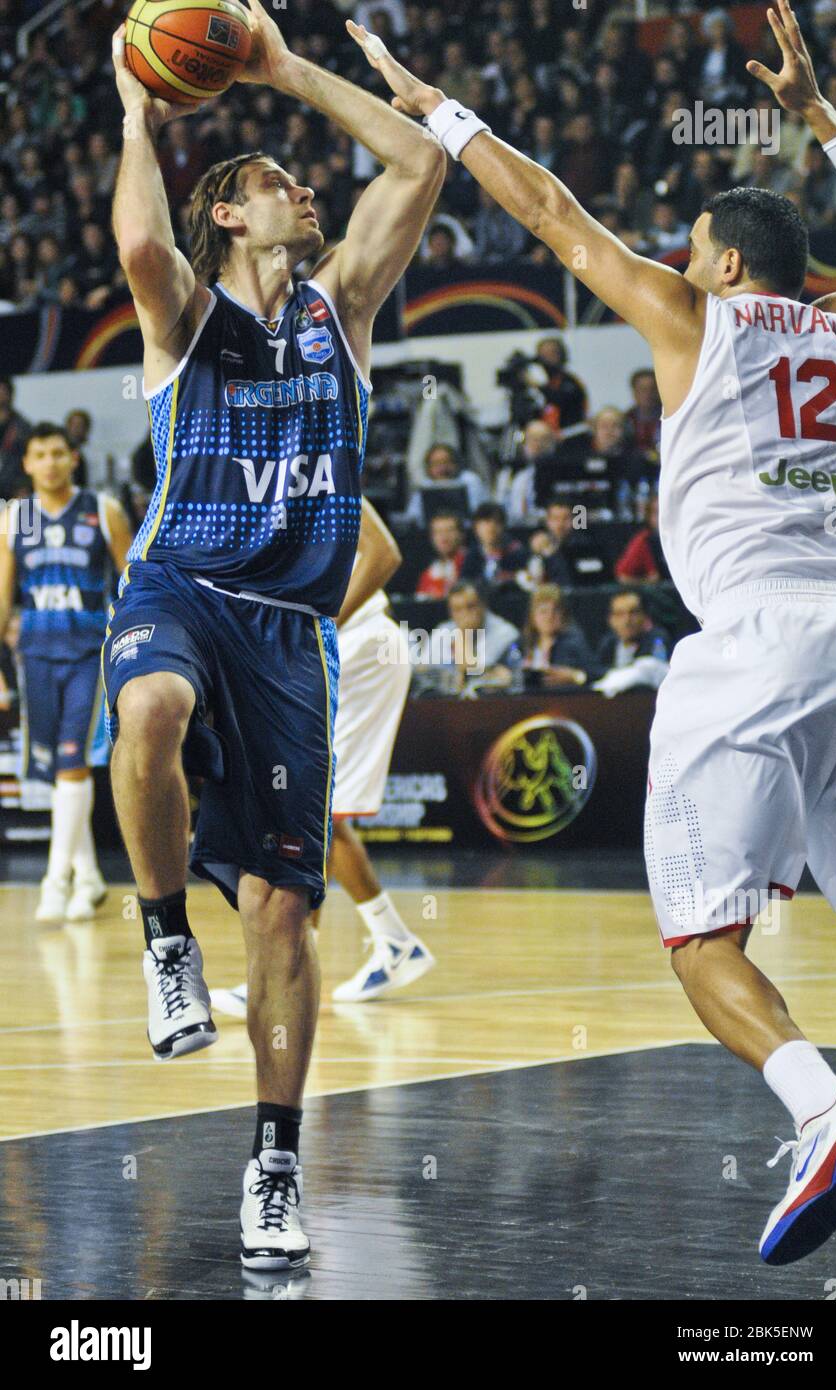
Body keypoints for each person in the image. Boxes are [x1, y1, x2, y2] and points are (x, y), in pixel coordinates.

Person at [353, 1, 836, 1265]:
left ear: (728, 268)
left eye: (690, 248)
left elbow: (550, 215)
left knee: (699, 938)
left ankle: (824, 1107)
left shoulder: (697, 319)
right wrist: (822, 120)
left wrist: (442, 114)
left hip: (751, 640)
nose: (677, 261)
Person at [108, 2, 445, 1273]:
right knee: (146, 712)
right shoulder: (187, 320)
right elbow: (141, 236)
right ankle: (160, 945)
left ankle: (273, 1166)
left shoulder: (341, 312)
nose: (303, 187)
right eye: (270, 184)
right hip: (182, 586)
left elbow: (416, 160)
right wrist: (141, 113)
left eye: (300, 183)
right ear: (228, 220)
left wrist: (283, 69)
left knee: (285, 916)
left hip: (291, 634)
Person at [211, 500, 434, 1013]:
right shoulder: (244, 480)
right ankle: (372, 946)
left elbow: (384, 553)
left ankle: (287, 968)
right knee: (308, 808)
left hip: (356, 646)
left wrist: (324, 625)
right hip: (329, 650)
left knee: (313, 811)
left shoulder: (321, 455)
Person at [0, 423, 132, 921]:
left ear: (74, 459)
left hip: (88, 652)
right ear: (28, 463)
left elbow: (133, 579)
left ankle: (55, 882)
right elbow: (3, 594)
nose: (51, 462)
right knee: (55, 767)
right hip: (34, 652)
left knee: (73, 761)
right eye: (41, 454)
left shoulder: (103, 510)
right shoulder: (15, 518)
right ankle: (92, 878)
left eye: (59, 453)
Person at [422, 579, 519, 694]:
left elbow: (472, 670)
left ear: (483, 605)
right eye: (457, 609)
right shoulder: (443, 631)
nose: (464, 614)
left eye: (470, 607)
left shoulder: (504, 633)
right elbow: (423, 669)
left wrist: (463, 633)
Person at [515, 583, 600, 688]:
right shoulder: (522, 643)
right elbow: (506, 668)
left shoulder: (574, 644)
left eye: (555, 611)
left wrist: (575, 676)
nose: (549, 617)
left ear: (563, 615)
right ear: (533, 616)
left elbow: (598, 673)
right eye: (543, 611)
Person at [461, 501, 527, 588]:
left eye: (497, 522)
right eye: (486, 522)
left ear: (504, 527)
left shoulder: (518, 555)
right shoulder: (471, 557)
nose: (491, 527)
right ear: (476, 527)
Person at [614, 494, 668, 584]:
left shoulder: (684, 538)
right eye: (657, 513)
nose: (662, 518)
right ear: (649, 516)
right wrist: (648, 581)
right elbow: (623, 576)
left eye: (666, 512)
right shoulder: (644, 541)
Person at [415, 508, 466, 598]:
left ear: (461, 534)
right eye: (438, 532)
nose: (444, 537)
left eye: (449, 530)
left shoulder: (471, 565)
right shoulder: (428, 574)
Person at [0, 377, 29, 501]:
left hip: (15, 488)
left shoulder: (22, 427)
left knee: (27, 518)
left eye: (2, 391)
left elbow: (28, 458)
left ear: (10, 394)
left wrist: (25, 485)